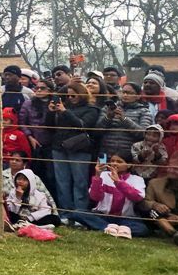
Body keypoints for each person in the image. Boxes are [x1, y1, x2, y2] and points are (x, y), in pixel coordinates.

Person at [65, 151, 149, 238]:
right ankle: (114, 229)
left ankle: (107, 228)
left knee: (142, 229)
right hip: (102, 216)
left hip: (125, 218)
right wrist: (97, 176)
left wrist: (119, 182)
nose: (114, 164)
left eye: (119, 162)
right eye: (112, 161)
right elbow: (94, 197)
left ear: (129, 165)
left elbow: (138, 198)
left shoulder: (136, 179)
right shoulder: (104, 175)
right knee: (77, 213)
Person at [47, 82, 101, 214]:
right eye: (68, 96)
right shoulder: (63, 107)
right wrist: (50, 112)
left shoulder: (92, 109)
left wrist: (65, 112)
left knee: (80, 182)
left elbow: (82, 125)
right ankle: (65, 212)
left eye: (73, 95)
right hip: (59, 148)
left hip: (79, 149)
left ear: (81, 94)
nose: (70, 98)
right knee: (62, 182)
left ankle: (80, 212)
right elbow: (49, 127)